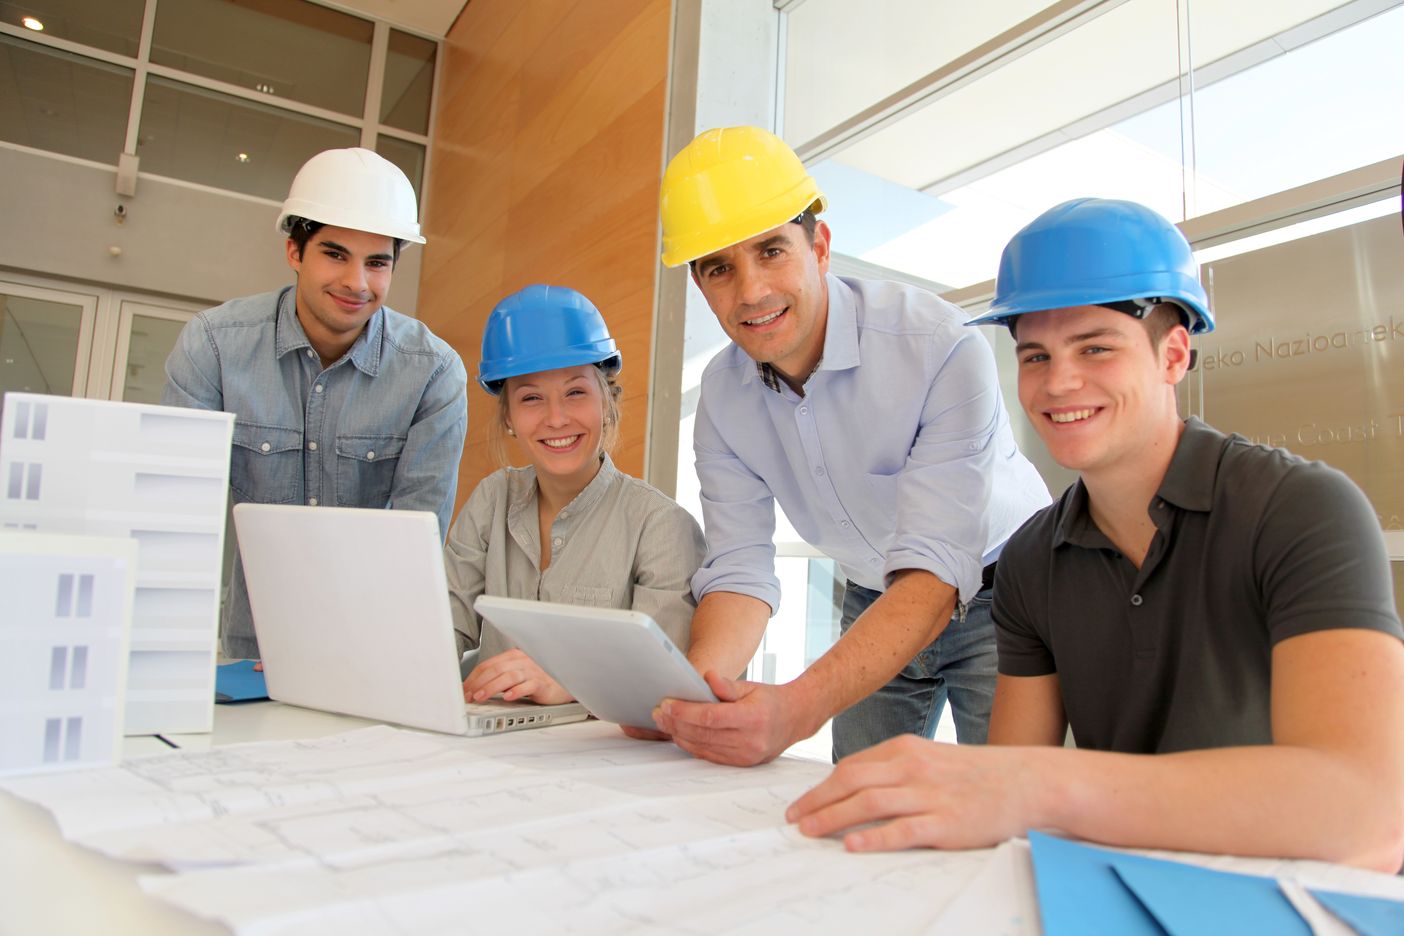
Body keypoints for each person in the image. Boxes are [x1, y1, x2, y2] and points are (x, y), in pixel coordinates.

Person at [786, 198, 1404, 870]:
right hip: (1119, 886)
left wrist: (1039, 787)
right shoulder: (1030, 561)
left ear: (1174, 355)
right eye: (1035, 356)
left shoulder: (1302, 511)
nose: (1060, 382)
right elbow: (1005, 803)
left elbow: (1368, 810)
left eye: (1096, 348)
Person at [646, 126, 1050, 765]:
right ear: (700, 286)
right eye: (720, 267)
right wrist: (695, 697)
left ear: (821, 246)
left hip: (1011, 594)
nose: (751, 291)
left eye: (772, 251)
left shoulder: (939, 346)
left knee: (1012, 804)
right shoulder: (722, 402)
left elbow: (938, 566)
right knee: (855, 800)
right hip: (873, 594)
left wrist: (794, 709)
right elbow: (740, 569)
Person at [163, 147, 468, 660]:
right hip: (248, 644)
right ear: (295, 251)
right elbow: (174, 514)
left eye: (377, 263)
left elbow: (416, 540)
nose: (356, 283)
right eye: (335, 254)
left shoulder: (432, 372)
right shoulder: (214, 347)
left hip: (369, 649)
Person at [444, 284, 705, 707]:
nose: (557, 418)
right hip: (488, 751)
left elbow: (669, 685)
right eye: (531, 398)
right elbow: (443, 627)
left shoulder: (660, 527)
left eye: (576, 392)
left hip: (604, 763)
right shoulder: (493, 499)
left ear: (607, 401)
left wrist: (569, 683)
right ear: (508, 415)